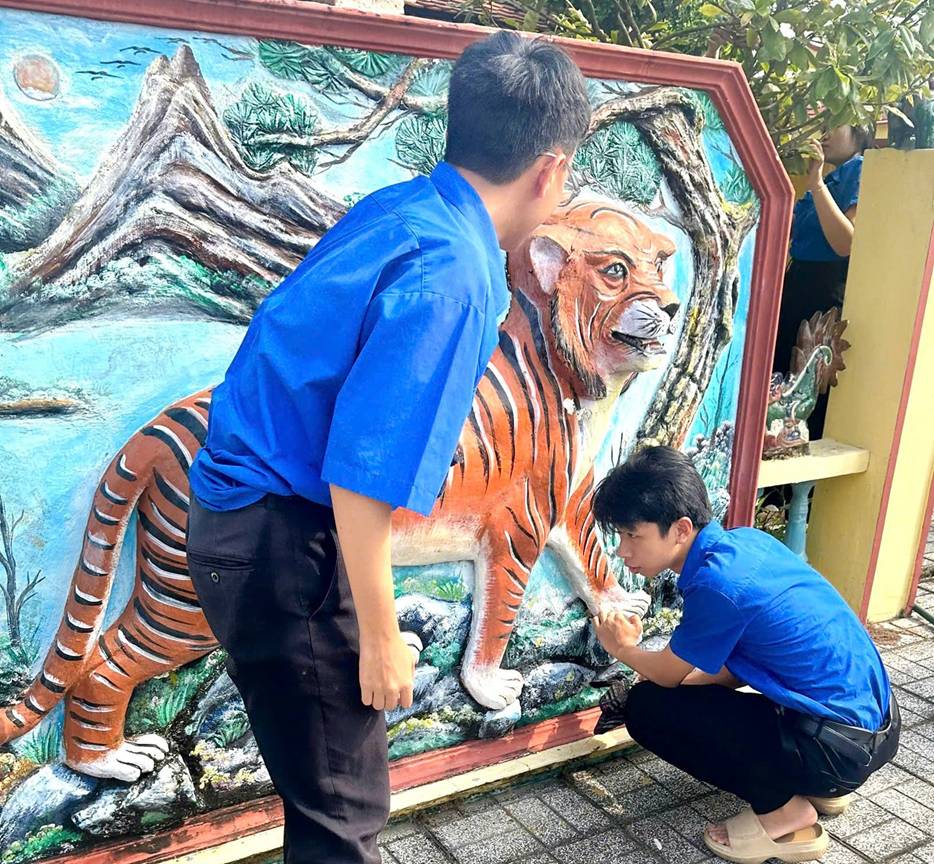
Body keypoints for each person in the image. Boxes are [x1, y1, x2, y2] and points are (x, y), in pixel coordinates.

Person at [183, 32, 591, 864]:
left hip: (243, 515)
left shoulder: (404, 208)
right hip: (279, 537)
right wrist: (379, 633)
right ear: (550, 170)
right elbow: (361, 473)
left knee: (326, 788)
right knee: (344, 809)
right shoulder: (456, 273)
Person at [591, 446, 899, 864]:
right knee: (677, 695)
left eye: (633, 535)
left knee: (647, 708)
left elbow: (665, 675)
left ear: (680, 529)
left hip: (838, 751)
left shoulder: (717, 586)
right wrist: (677, 681)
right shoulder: (746, 544)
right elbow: (735, 668)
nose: (622, 551)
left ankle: (785, 814)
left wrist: (622, 647)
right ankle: (820, 787)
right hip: (874, 729)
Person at [772, 124, 874, 437]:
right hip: (798, 284)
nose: (823, 135)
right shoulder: (831, 176)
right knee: (781, 378)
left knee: (804, 383)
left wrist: (816, 184)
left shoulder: (860, 169)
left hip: (823, 291)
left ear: (860, 128)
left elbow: (845, 243)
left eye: (833, 126)